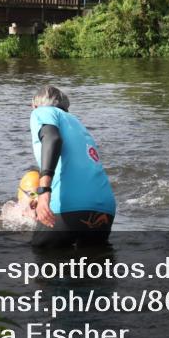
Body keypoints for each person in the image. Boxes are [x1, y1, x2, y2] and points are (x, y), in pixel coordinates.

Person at [29, 85, 116, 248]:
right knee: (95, 266)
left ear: (34, 104)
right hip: (105, 209)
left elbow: (52, 139)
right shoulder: (78, 125)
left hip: (69, 207)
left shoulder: (42, 111)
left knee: (44, 261)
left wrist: (44, 193)